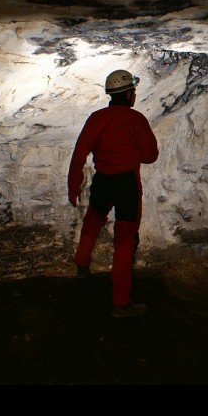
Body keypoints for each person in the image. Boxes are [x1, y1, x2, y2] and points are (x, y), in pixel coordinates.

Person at [67, 69, 159, 318]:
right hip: (126, 184)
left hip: (103, 181)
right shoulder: (136, 120)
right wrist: (130, 153)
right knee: (125, 240)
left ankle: (82, 264)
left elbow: (79, 153)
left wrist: (73, 186)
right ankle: (121, 303)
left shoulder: (96, 118)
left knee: (94, 219)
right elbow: (151, 155)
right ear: (129, 94)